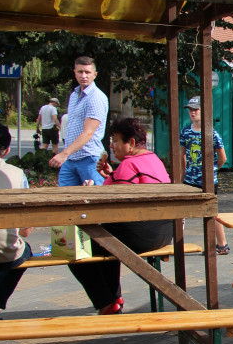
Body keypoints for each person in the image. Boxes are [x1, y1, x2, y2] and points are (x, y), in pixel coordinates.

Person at [68, 117, 172, 315]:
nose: (111, 146)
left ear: (130, 143)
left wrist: (90, 190)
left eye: (115, 141)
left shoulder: (128, 165)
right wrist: (112, 176)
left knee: (76, 248)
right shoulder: (153, 159)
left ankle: (106, 302)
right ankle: (114, 299)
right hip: (164, 231)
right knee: (106, 241)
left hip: (142, 234)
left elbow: (109, 206)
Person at [181, 97, 229, 254]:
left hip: (208, 181)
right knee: (179, 211)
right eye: (190, 109)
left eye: (196, 109)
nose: (192, 112)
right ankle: (176, 243)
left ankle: (222, 244)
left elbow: (222, 158)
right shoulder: (185, 132)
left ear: (204, 111)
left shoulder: (212, 134)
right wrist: (184, 173)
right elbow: (182, 155)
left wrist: (213, 170)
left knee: (211, 212)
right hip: (189, 179)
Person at [49, 56, 108, 186]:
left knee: (95, 197)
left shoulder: (96, 97)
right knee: (65, 196)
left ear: (95, 74)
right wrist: (67, 154)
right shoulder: (74, 95)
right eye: (80, 72)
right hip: (71, 159)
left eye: (87, 72)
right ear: (74, 73)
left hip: (89, 158)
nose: (83, 76)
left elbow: (88, 133)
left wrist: (64, 154)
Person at [0, 123, 32, 317]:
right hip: (7, 253)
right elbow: (25, 230)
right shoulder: (17, 175)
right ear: (6, 151)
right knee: (24, 250)